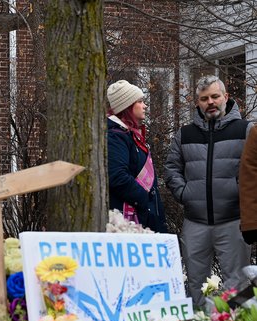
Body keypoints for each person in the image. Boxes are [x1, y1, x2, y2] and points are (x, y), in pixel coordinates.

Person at [164, 75, 252, 308]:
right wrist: (185, 194)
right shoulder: (185, 134)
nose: (210, 102)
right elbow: (171, 168)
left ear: (226, 97)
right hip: (195, 222)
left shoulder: (246, 130)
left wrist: (242, 196)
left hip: (234, 220)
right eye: (204, 98)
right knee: (195, 284)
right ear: (198, 102)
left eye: (215, 96)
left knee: (240, 285)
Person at [106, 80, 167, 234]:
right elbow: (117, 176)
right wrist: (144, 198)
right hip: (130, 217)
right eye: (140, 101)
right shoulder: (116, 137)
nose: (145, 106)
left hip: (143, 213)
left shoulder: (131, 135)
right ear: (127, 107)